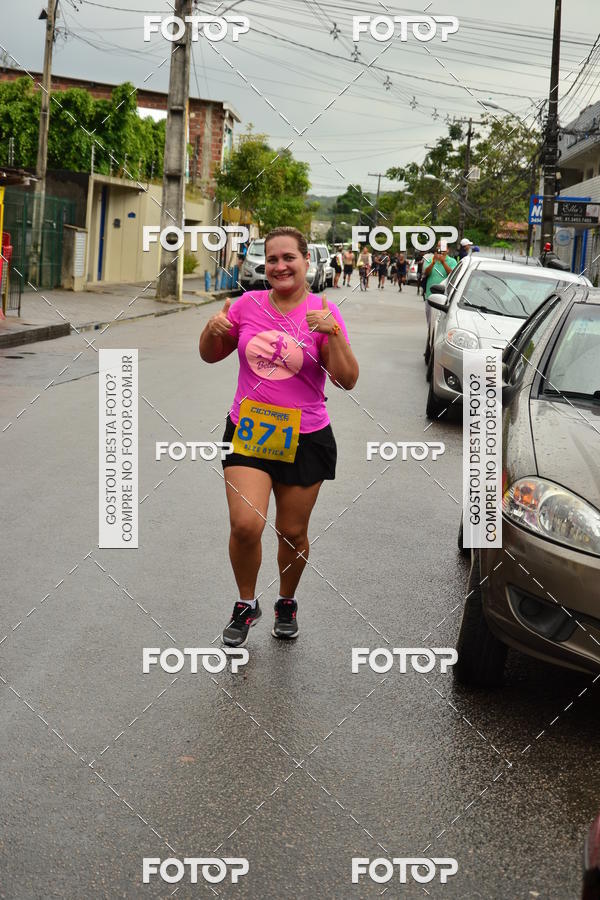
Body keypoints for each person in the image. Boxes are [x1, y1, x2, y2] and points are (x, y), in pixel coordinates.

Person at [199, 226, 359, 648]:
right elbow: (210, 354)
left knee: (292, 532)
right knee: (246, 525)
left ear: (307, 261)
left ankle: (286, 601)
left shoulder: (323, 312)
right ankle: (245, 602)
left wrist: (334, 335)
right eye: (272, 259)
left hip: (306, 435)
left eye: (289, 257)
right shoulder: (247, 305)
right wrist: (212, 329)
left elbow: (347, 381)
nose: (280, 266)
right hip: (250, 430)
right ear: (263, 265)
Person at [422, 242, 457, 325]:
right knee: (430, 321)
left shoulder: (452, 261)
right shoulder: (430, 260)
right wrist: (433, 263)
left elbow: (452, 275)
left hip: (445, 297)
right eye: (438, 246)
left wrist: (443, 262)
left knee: (440, 322)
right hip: (430, 295)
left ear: (447, 250)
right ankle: (430, 336)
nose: (440, 248)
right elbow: (426, 273)